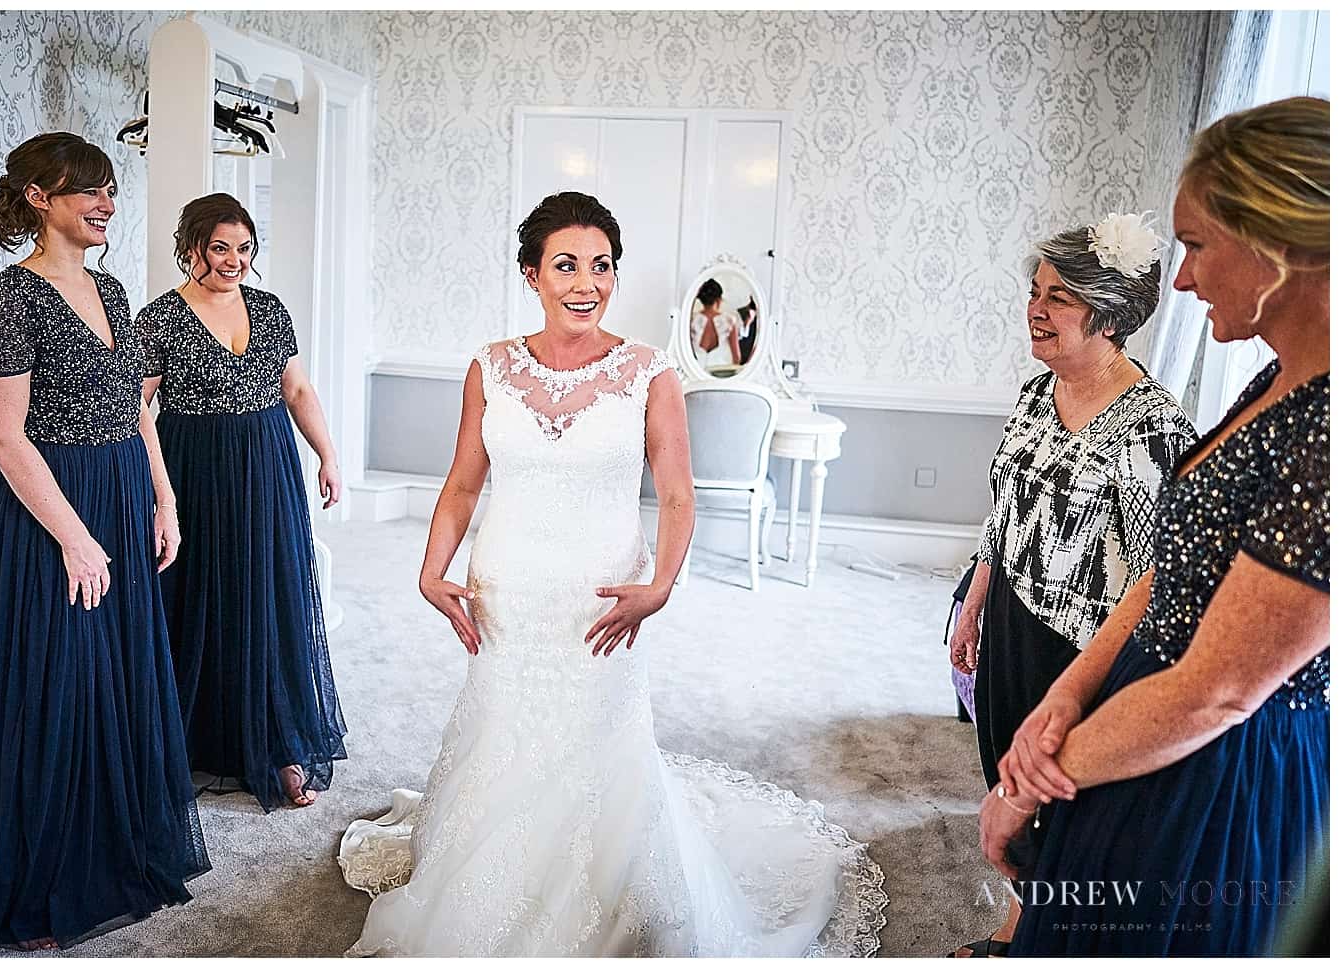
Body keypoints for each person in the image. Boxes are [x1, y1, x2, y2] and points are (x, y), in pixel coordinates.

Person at [335, 191, 887, 956]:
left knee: (598, 746)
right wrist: (432, 570)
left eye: (601, 266)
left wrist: (661, 584)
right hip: (509, 590)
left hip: (600, 602)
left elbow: (677, 492)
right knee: (504, 734)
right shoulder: (489, 368)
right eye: (565, 265)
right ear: (532, 274)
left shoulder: (649, 373)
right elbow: (464, 483)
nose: (585, 282)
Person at [986, 96, 1329, 956]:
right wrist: (1064, 700)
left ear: (1280, 244)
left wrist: (1033, 782)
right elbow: (1171, 572)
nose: (1179, 280)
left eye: (1199, 246)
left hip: (1216, 761)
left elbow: (1220, 690)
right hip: (1135, 706)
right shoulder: (1276, 382)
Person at [0, 132, 209, 954]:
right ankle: (47, 871)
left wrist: (163, 498)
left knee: (120, 678)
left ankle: (115, 842)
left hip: (123, 496)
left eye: (112, 190)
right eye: (88, 188)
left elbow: (136, 410)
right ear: (37, 198)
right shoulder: (6, 299)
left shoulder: (115, 291)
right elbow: (3, 437)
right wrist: (79, 541)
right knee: (63, 683)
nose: (107, 203)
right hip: (56, 516)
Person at [947, 216, 1196, 957]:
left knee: (1059, 802)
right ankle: (1027, 924)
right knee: (1005, 773)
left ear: (1111, 317)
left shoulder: (1151, 428)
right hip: (1015, 623)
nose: (1037, 308)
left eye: (1059, 297)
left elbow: (1158, 574)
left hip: (1085, 649)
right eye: (1035, 292)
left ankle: (1028, 940)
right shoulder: (1036, 391)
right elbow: (1004, 506)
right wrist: (974, 600)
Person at [135, 193, 347, 811]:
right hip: (194, 469)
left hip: (268, 467)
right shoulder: (158, 319)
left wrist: (328, 456)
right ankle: (187, 745)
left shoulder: (269, 309)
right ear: (193, 246)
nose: (234, 260)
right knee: (200, 599)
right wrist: (160, 495)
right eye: (221, 247)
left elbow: (297, 388)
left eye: (244, 248)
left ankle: (278, 745)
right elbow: (140, 411)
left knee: (272, 593)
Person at [690, 277, 742, 369]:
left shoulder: (692, 320)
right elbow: (736, 357)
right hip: (721, 374)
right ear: (719, 299)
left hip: (696, 373)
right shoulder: (729, 320)